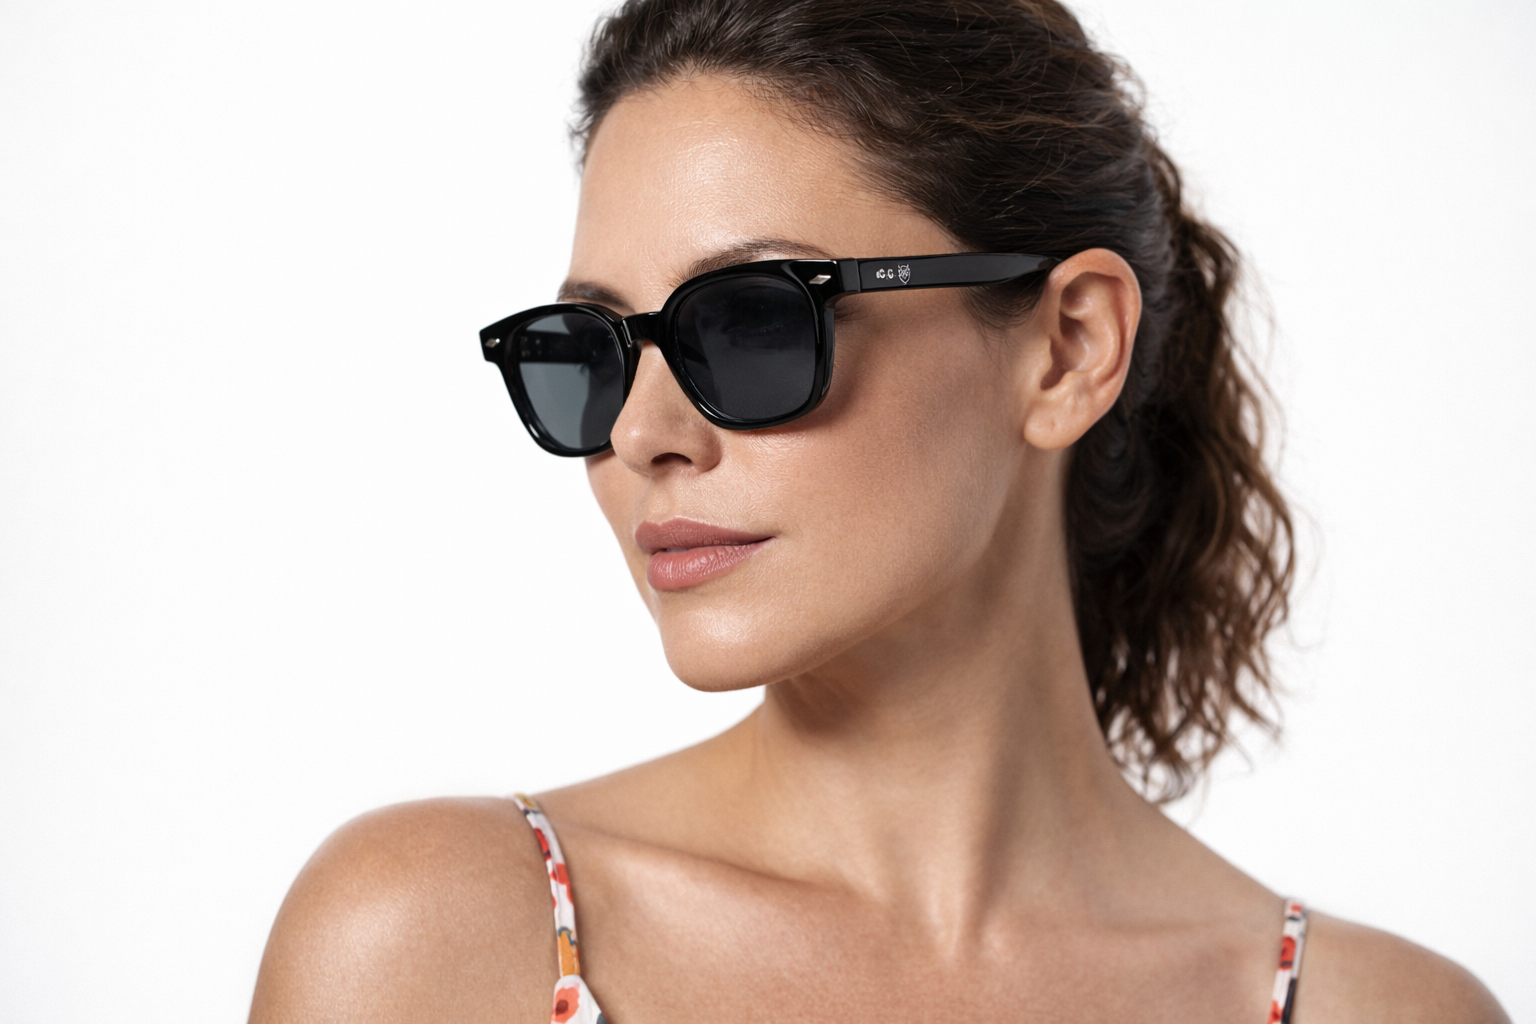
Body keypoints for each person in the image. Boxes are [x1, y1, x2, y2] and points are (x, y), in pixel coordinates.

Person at [248, 1, 1510, 1021]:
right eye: (590, 350)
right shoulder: (438, 940)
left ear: (1068, 349)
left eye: (751, 324)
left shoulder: (1385, 1013)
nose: (640, 434)